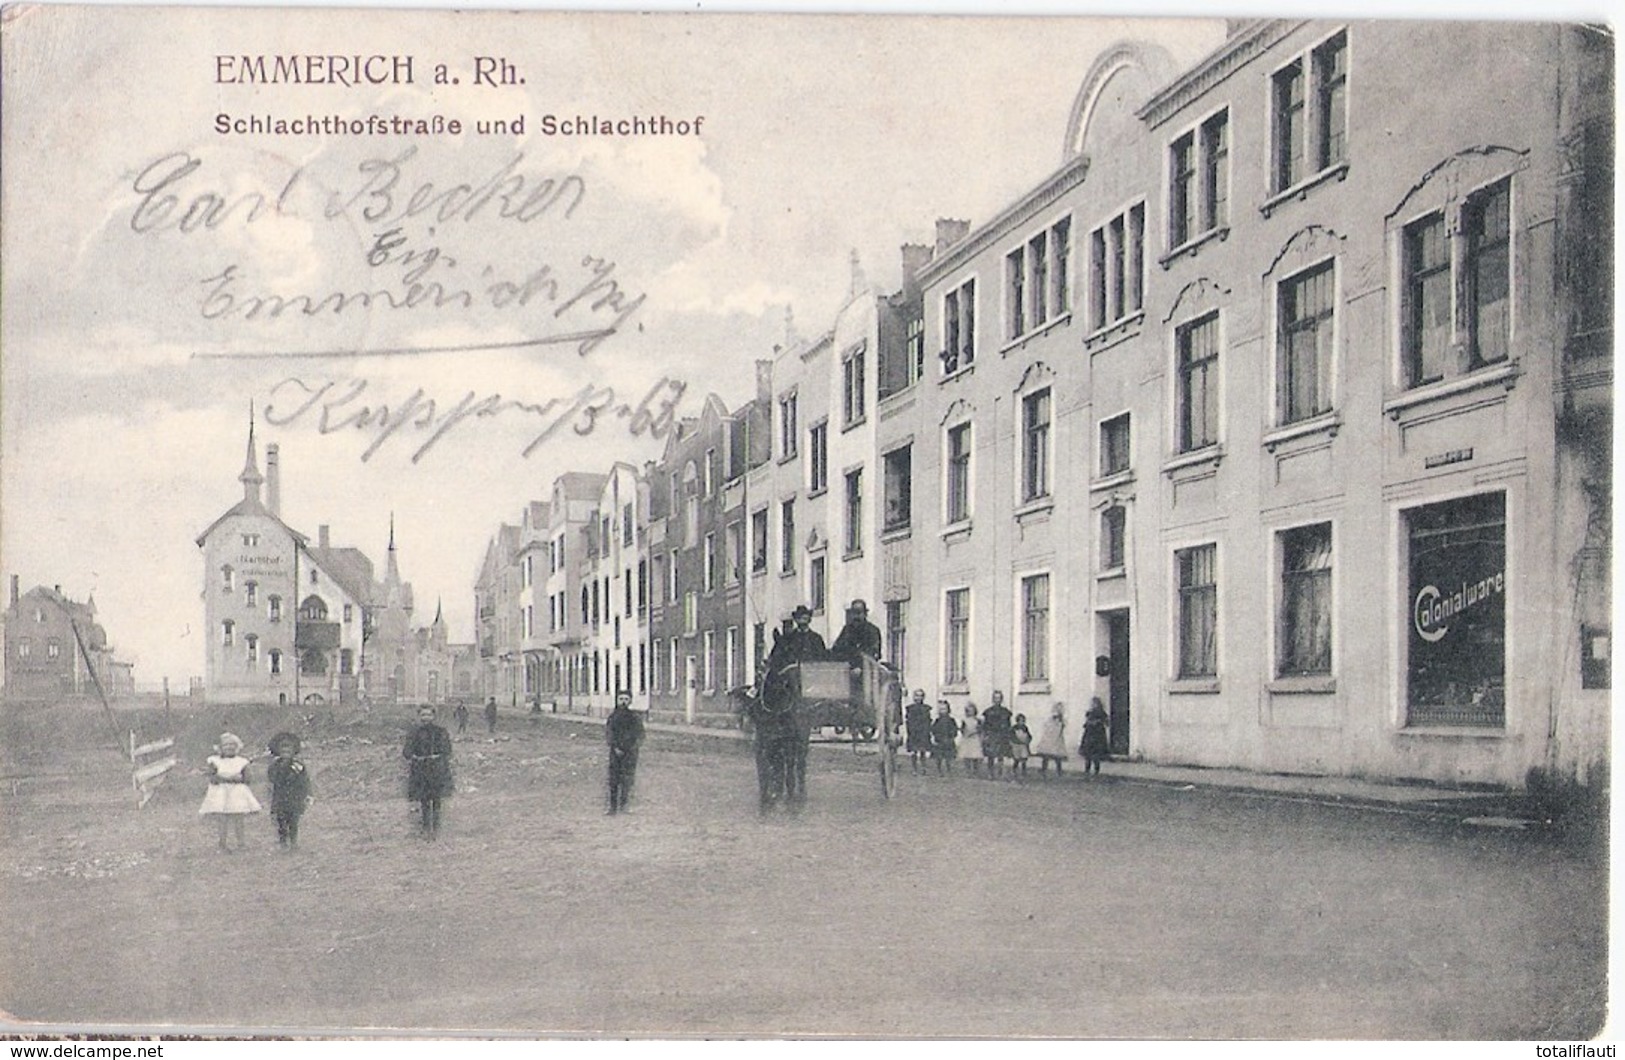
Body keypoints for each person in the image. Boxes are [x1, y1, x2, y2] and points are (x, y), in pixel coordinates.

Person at [199, 732, 261, 852]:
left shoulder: (242, 761)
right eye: (226, 745)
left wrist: (240, 779)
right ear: (220, 747)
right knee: (222, 819)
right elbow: (213, 778)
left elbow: (248, 779)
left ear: (237, 747)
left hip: (237, 792)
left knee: (238, 817)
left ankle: (241, 843)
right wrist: (228, 778)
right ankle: (222, 844)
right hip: (220, 792)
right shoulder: (214, 761)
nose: (229, 747)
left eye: (233, 745)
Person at [403, 705, 454, 839]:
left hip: (437, 769)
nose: (426, 718)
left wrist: (438, 757)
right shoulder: (414, 732)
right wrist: (414, 756)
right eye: (423, 715)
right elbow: (407, 751)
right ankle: (426, 828)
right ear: (419, 717)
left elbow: (447, 750)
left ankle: (436, 828)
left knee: (436, 799)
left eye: (429, 715)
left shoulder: (440, 732)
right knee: (424, 800)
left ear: (434, 716)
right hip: (420, 769)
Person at [266, 732, 312, 851]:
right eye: (283, 749)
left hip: (294, 797)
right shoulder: (275, 765)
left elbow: (304, 780)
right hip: (280, 797)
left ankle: (293, 842)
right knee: (281, 821)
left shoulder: (298, 765)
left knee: (293, 821)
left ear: (293, 751)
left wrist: (307, 794)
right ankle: (283, 842)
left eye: (288, 749)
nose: (286, 752)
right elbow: (272, 779)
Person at [605, 690, 646, 814]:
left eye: (626, 699)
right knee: (614, 779)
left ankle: (624, 805)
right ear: (617, 700)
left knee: (627, 779)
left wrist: (633, 748)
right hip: (615, 753)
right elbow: (609, 733)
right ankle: (612, 807)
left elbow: (641, 735)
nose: (623, 702)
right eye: (621, 699)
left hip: (630, 753)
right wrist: (615, 747)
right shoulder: (613, 717)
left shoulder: (635, 718)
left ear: (630, 701)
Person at [829, 599, 882, 664]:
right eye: (854, 613)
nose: (856, 616)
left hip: (867, 668)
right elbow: (836, 649)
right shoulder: (847, 630)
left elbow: (872, 653)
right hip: (847, 668)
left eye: (859, 613)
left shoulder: (872, 631)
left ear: (865, 614)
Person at [980, 690, 1014, 780]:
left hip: (1002, 735)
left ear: (1001, 699)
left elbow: (1008, 725)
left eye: (999, 698)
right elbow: (985, 725)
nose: (997, 700)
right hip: (992, 735)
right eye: (995, 698)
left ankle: (1000, 772)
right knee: (991, 755)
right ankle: (990, 773)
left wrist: (1008, 735)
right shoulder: (988, 712)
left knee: (1001, 755)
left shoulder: (1005, 712)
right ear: (993, 699)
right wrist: (985, 736)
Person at [1032, 702, 1069, 777]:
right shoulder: (1050, 719)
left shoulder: (1061, 720)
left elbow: (1062, 727)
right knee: (1046, 755)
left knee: (1057, 756)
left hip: (1057, 739)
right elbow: (1047, 726)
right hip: (1050, 738)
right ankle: (1044, 769)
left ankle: (1059, 770)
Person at [904, 688, 934, 775]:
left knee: (922, 751)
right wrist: (910, 731)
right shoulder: (910, 708)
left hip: (923, 732)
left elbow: (928, 721)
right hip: (914, 732)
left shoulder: (926, 708)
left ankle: (923, 767)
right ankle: (914, 769)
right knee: (914, 752)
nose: (918, 698)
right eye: (917, 696)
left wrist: (928, 731)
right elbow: (908, 721)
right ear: (914, 697)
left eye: (921, 696)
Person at [1080, 697, 1111, 777]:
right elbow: (1086, 723)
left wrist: (1099, 722)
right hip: (1089, 734)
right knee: (1088, 754)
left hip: (1097, 735)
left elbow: (1107, 723)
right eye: (1092, 703)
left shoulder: (1102, 713)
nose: (1093, 705)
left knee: (1095, 754)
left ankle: (1096, 770)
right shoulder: (1089, 713)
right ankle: (1087, 769)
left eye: (1094, 703)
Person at [929, 701, 959, 777]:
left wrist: (951, 737)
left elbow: (954, 729)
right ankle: (939, 771)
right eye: (941, 709)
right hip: (939, 741)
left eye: (944, 709)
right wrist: (936, 737)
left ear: (948, 710)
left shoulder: (951, 720)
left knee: (948, 758)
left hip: (948, 741)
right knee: (939, 757)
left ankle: (949, 770)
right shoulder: (937, 720)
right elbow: (933, 729)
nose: (943, 711)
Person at [958, 703, 982, 777]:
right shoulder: (965, 720)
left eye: (972, 711)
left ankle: (975, 772)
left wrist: (976, 733)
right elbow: (962, 729)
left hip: (975, 739)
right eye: (969, 711)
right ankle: (968, 771)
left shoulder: (978, 720)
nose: (970, 712)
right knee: (967, 756)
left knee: (975, 756)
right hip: (967, 739)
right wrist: (965, 734)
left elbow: (980, 729)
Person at [1009, 713, 1033, 781]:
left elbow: (1029, 736)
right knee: (1016, 759)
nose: (1021, 722)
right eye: (1020, 721)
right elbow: (1012, 737)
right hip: (1016, 745)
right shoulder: (1014, 728)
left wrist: (1028, 740)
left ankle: (1023, 771)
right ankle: (1014, 770)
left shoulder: (1025, 728)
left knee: (1024, 758)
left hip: (1023, 745)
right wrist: (1017, 741)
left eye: (1023, 721)